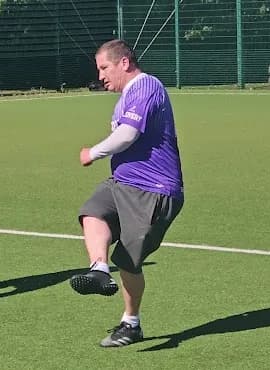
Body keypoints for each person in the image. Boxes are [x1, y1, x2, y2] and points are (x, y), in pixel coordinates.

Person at [71, 39, 184, 348]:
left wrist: (92, 152)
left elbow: (128, 134)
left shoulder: (147, 86)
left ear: (124, 63)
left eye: (104, 68)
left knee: (129, 261)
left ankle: (131, 323)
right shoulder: (125, 98)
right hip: (122, 184)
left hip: (154, 191)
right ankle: (98, 270)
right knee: (92, 211)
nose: (101, 76)